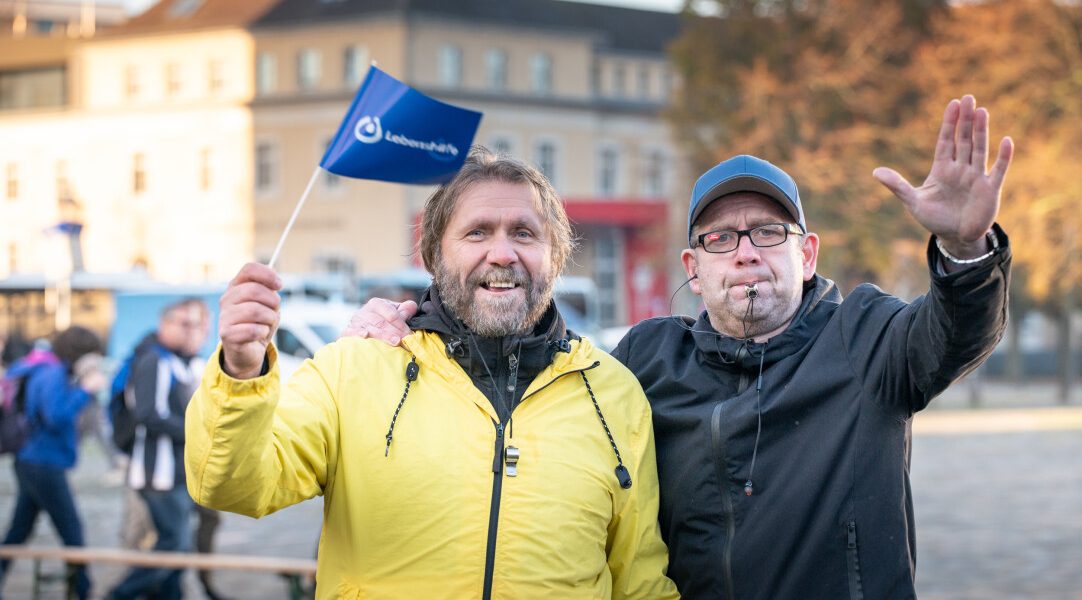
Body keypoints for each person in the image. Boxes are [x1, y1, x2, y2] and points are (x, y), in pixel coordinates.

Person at [347, 95, 1013, 598]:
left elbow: (957, 332)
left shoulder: (867, 339)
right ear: (693, 268)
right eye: (721, 238)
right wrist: (418, 324)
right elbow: (538, 388)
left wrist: (964, 250)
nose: (745, 252)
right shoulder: (648, 359)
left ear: (807, 254)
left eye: (768, 232)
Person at [184, 147, 678, 599]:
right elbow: (232, 486)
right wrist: (241, 372)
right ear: (433, 255)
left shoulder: (613, 392)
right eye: (477, 232)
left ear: (557, 255)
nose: (502, 253)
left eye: (524, 233)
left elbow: (640, 579)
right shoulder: (354, 368)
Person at [108, 298, 215, 600]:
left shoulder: (182, 362)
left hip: (177, 471)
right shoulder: (154, 361)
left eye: (195, 325)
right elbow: (149, 414)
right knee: (174, 546)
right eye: (184, 324)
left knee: (178, 548)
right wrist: (196, 433)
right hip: (156, 472)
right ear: (164, 325)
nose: (190, 330)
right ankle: (118, 595)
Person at [0, 326, 106, 600]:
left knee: (19, 531)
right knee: (71, 530)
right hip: (42, 463)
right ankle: (83, 590)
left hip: (33, 460)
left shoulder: (49, 369)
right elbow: (55, 416)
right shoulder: (52, 372)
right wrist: (85, 390)